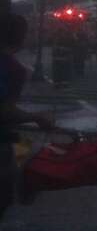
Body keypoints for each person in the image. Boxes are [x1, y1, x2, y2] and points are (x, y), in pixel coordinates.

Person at [1, 14, 55, 221]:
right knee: (28, 157)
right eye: (32, 32)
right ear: (21, 37)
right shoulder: (14, 69)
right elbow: (4, 111)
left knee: (23, 144)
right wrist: (37, 118)